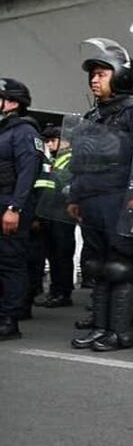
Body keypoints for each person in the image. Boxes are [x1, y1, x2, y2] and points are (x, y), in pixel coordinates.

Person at [64, 40, 133, 351]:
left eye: (102, 73)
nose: (94, 79)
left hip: (121, 197)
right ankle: (101, 328)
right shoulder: (93, 115)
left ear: (121, 75)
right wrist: (75, 196)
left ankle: (122, 332)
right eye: (92, 74)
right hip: (92, 200)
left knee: (123, 266)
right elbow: (80, 161)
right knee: (98, 267)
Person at [0, 79, 45, 340]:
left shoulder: (24, 131)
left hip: (11, 204)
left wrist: (15, 208)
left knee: (10, 262)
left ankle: (10, 320)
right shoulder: (4, 131)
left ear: (13, 102)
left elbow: (28, 173)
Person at [36, 126, 76, 309]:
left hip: (61, 213)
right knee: (53, 255)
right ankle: (55, 290)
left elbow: (64, 182)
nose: (49, 144)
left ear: (64, 141)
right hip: (49, 211)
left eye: (52, 140)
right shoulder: (54, 158)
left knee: (62, 254)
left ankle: (63, 293)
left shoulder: (70, 158)